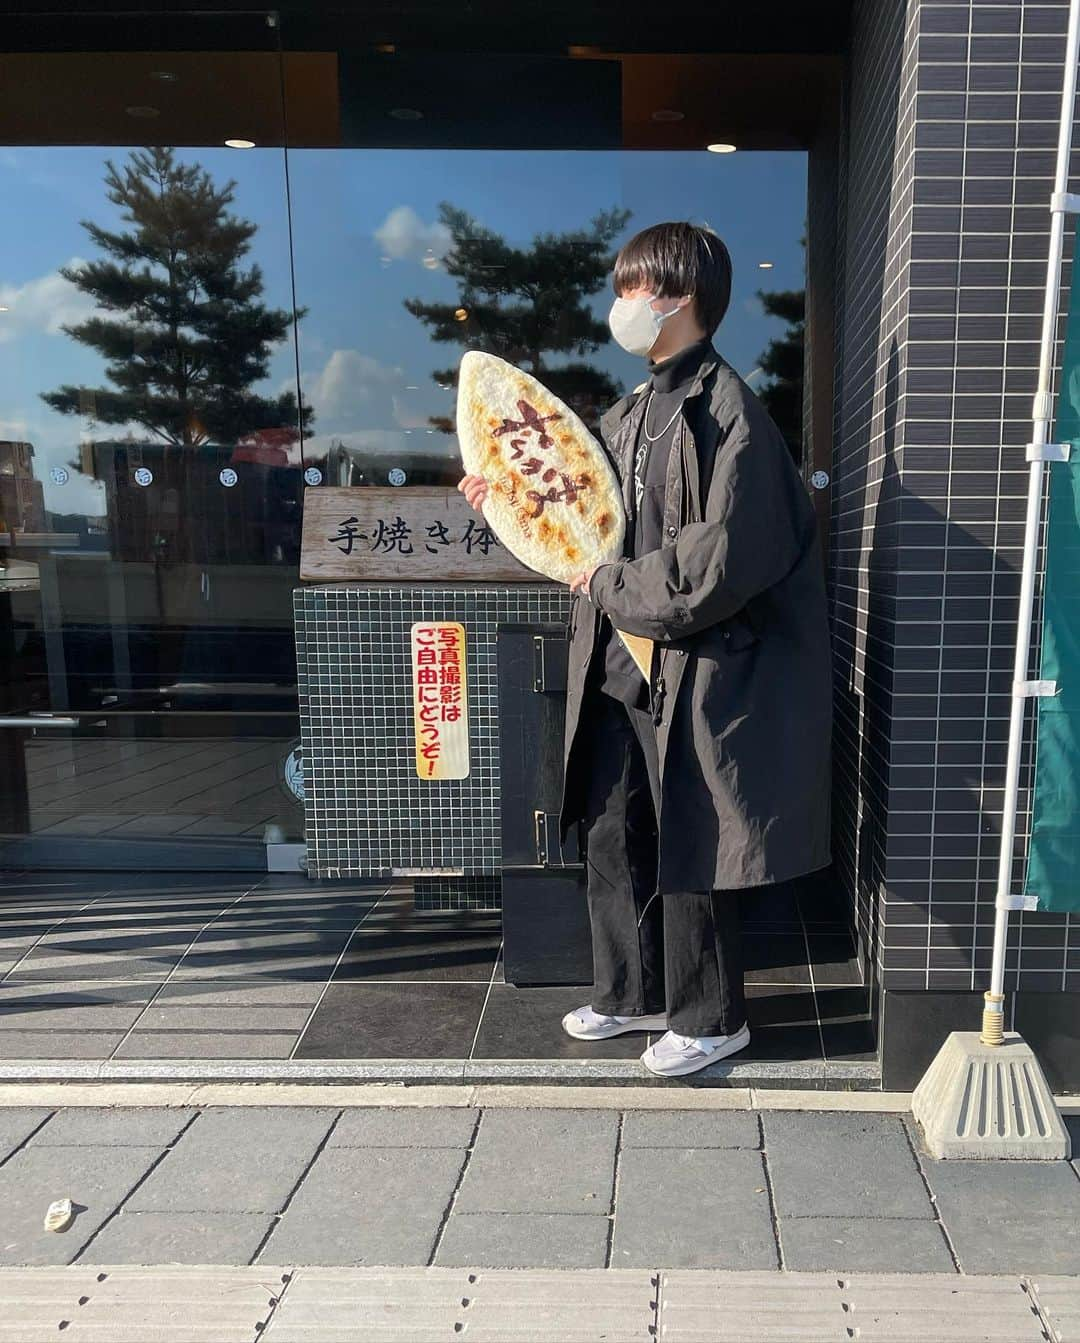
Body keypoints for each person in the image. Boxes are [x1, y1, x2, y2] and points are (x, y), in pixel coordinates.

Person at [458, 220, 832, 1077]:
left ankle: (711, 1016)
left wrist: (612, 589)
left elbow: (726, 558)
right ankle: (628, 991)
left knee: (690, 832)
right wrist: (502, 504)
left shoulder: (728, 411)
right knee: (611, 824)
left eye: (634, 288)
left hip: (699, 661)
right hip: (620, 658)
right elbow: (575, 526)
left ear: (679, 296)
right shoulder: (627, 414)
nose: (622, 305)